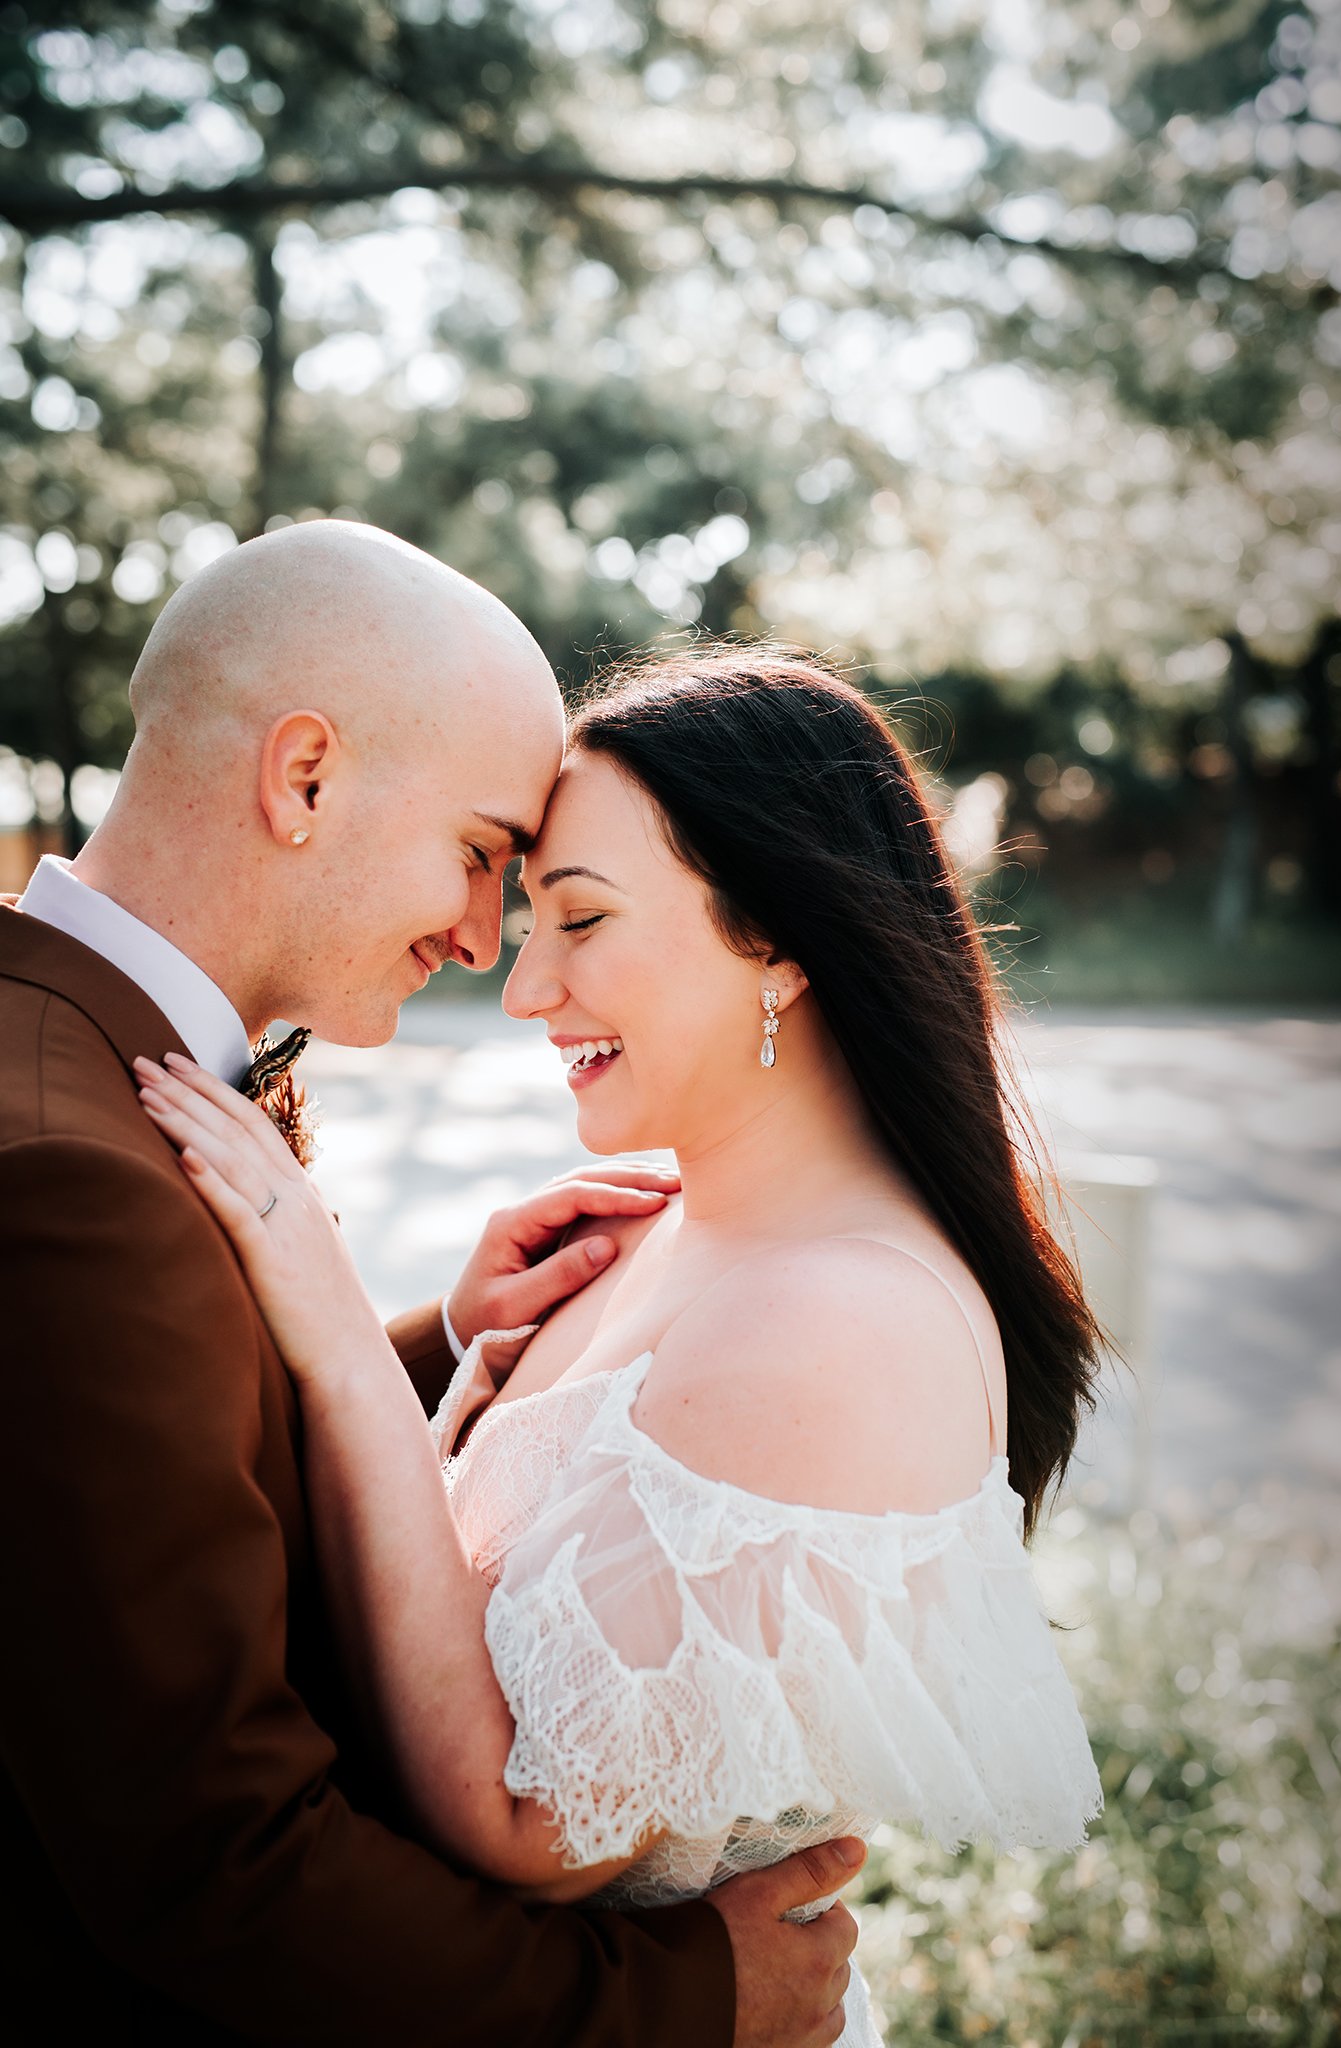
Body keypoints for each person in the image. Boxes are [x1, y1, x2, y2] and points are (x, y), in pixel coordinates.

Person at [139, 647, 1107, 2047]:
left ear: (775, 935)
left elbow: (529, 1820)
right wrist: (449, 1341)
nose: (526, 987)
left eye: (580, 920)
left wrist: (341, 1344)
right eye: (532, 917)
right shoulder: (658, 1229)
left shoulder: (848, 1323)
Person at [0, 526, 865, 2046]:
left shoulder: (58, 1053)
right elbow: (219, 1865)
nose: (485, 945)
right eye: (480, 854)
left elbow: (135, 1468)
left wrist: (432, 1339)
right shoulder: (72, 1182)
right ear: (305, 777)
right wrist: (685, 1998)